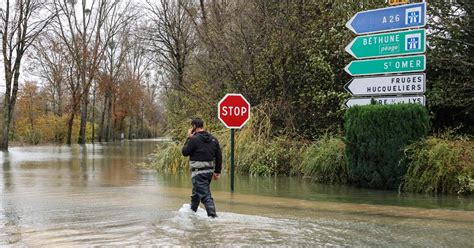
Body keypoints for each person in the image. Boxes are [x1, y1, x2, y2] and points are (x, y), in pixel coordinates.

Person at [182, 117, 222, 218]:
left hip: (198, 173)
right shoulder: (213, 139)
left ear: (194, 127)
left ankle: (213, 218)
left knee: (205, 196)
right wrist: (217, 172)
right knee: (196, 195)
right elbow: (219, 156)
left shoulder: (193, 139)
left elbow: (184, 152)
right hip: (209, 172)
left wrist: (188, 137)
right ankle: (192, 213)